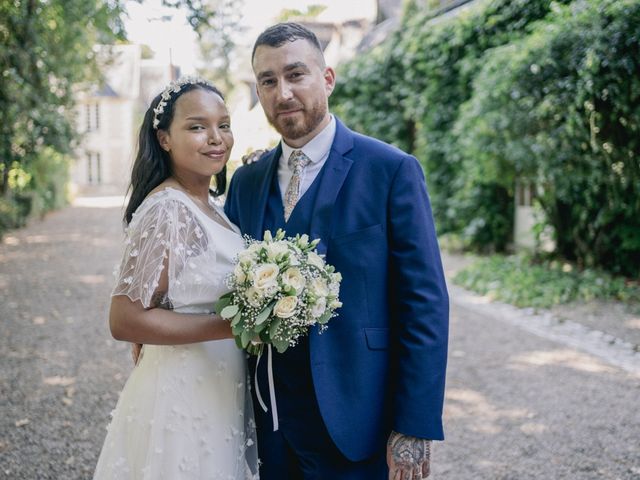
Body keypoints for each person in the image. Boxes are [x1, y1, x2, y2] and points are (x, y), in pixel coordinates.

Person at [225, 22, 449, 480]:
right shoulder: (246, 182)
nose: (283, 92)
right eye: (268, 81)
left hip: (359, 421)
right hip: (268, 424)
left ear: (326, 79)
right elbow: (219, 280)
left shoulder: (391, 171)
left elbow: (424, 304)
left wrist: (412, 426)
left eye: (296, 75)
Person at [93, 76, 258, 480]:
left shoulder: (213, 206)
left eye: (224, 124)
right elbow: (125, 320)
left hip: (220, 387)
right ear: (164, 138)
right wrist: (234, 326)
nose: (216, 138)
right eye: (197, 126)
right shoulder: (167, 208)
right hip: (182, 393)